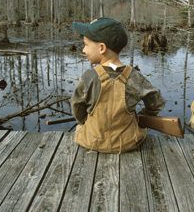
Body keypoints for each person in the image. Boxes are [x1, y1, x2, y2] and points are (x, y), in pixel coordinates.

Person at [70, 17, 165, 154]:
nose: (84, 50)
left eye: (85, 45)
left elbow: (77, 106)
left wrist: (85, 120)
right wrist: (142, 117)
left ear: (102, 48)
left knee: (80, 128)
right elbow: (156, 102)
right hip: (128, 143)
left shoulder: (88, 77)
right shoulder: (135, 77)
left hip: (91, 142)